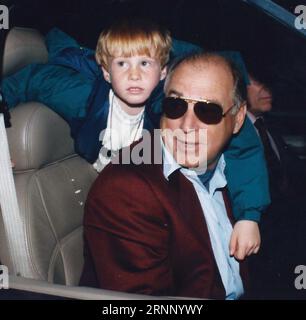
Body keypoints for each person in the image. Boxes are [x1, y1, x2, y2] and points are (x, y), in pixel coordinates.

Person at [2, 19, 269, 257]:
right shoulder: (83, 96)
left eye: (145, 63)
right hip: (109, 194)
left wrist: (248, 216)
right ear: (106, 72)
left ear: (163, 71)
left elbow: (240, 140)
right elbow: (30, 80)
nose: (134, 74)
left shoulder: (172, 106)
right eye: (122, 64)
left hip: (146, 193)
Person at [80, 52, 260, 299]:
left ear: (238, 118)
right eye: (175, 106)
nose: (186, 126)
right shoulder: (127, 190)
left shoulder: (235, 171)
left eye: (207, 111)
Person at [246, 72, 306, 299]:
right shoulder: (237, 136)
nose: (267, 91)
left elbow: (294, 173)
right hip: (264, 249)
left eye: (268, 83)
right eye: (258, 82)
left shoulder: (268, 129)